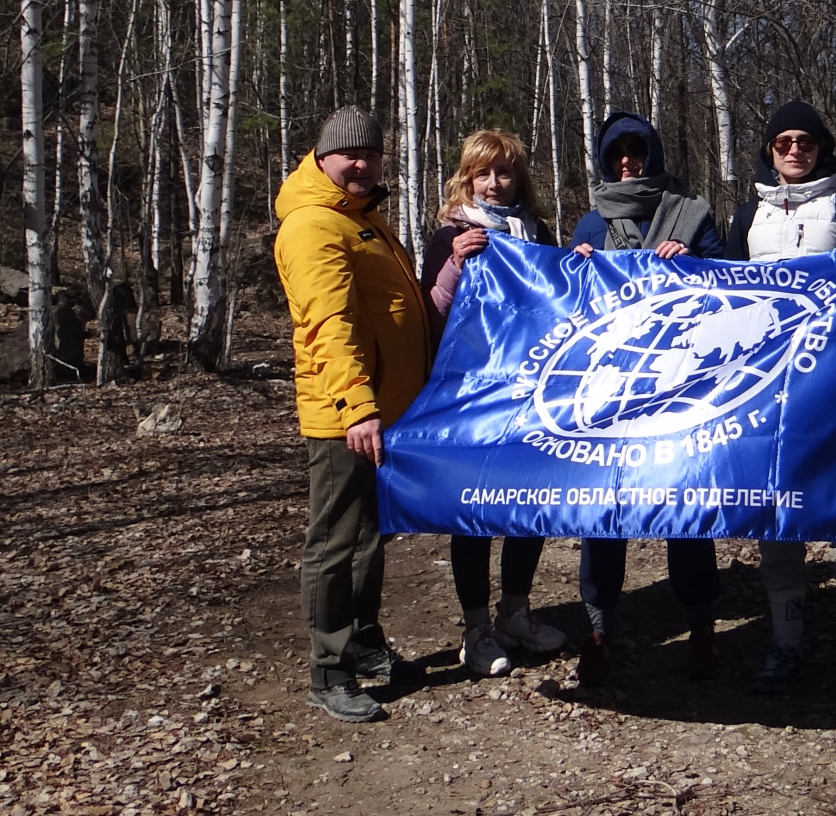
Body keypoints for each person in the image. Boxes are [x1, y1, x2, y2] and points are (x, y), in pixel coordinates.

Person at [273, 107, 431, 724]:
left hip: (380, 411)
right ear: (323, 156)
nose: (361, 165)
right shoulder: (314, 225)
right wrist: (356, 407)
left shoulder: (360, 219)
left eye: (371, 155)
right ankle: (328, 669)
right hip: (346, 416)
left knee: (369, 536)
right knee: (336, 542)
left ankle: (363, 642)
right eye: (349, 156)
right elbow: (327, 327)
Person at [724, 100, 836, 696]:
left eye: (806, 141)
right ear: (769, 149)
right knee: (777, 513)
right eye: (783, 140)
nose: (795, 149)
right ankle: (786, 644)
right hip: (770, 394)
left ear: (823, 148)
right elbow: (724, 299)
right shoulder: (745, 217)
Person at [566, 110, 728, 686]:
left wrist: (696, 264)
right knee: (603, 514)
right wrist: (576, 271)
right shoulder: (590, 226)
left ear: (654, 156)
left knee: (685, 512)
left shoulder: (691, 214)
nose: (629, 162)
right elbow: (569, 312)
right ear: (606, 161)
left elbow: (732, 286)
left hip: (680, 389)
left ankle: (703, 632)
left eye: (638, 152)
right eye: (618, 154)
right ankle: (599, 630)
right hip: (613, 393)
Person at [417, 129, 572, 679]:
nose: (494, 182)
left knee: (527, 503)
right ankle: (476, 628)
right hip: (473, 393)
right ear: (467, 178)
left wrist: (573, 267)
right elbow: (432, 313)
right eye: (483, 173)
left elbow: (560, 307)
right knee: (476, 510)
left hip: (532, 391)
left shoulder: (539, 232)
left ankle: (516, 612)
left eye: (503, 172)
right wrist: (455, 262)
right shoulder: (452, 234)